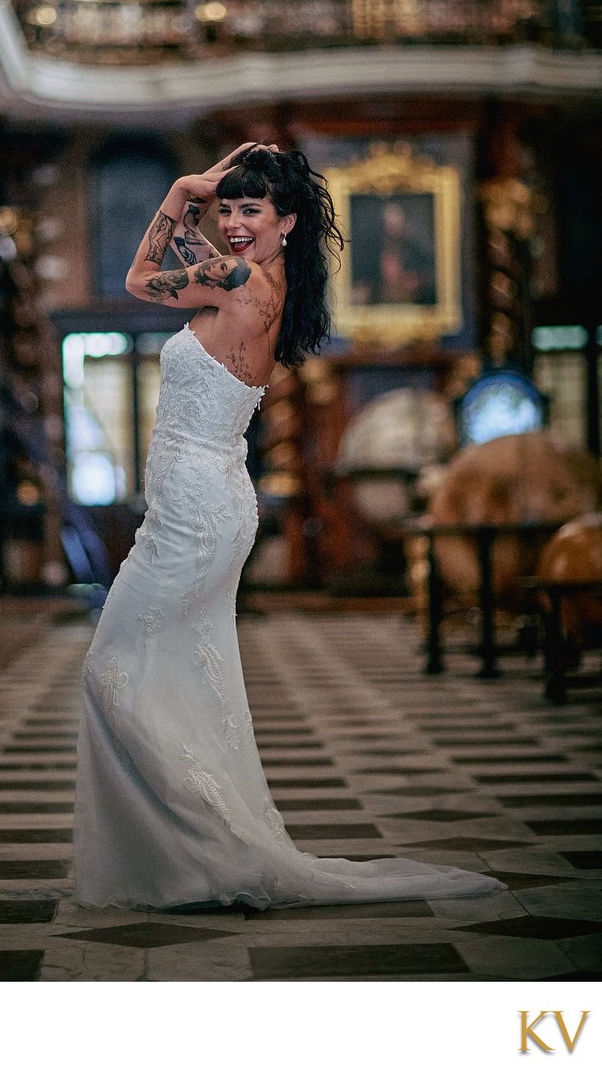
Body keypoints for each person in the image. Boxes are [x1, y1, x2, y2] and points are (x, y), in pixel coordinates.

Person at [73, 143, 504, 909]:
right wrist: (196, 204)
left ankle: (209, 848)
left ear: (287, 223)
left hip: (197, 508)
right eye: (228, 208)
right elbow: (174, 263)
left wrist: (182, 188)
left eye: (252, 211)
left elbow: (140, 278)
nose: (235, 223)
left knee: (113, 668)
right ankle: (193, 852)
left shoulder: (237, 278)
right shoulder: (252, 281)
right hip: (204, 501)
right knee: (161, 671)